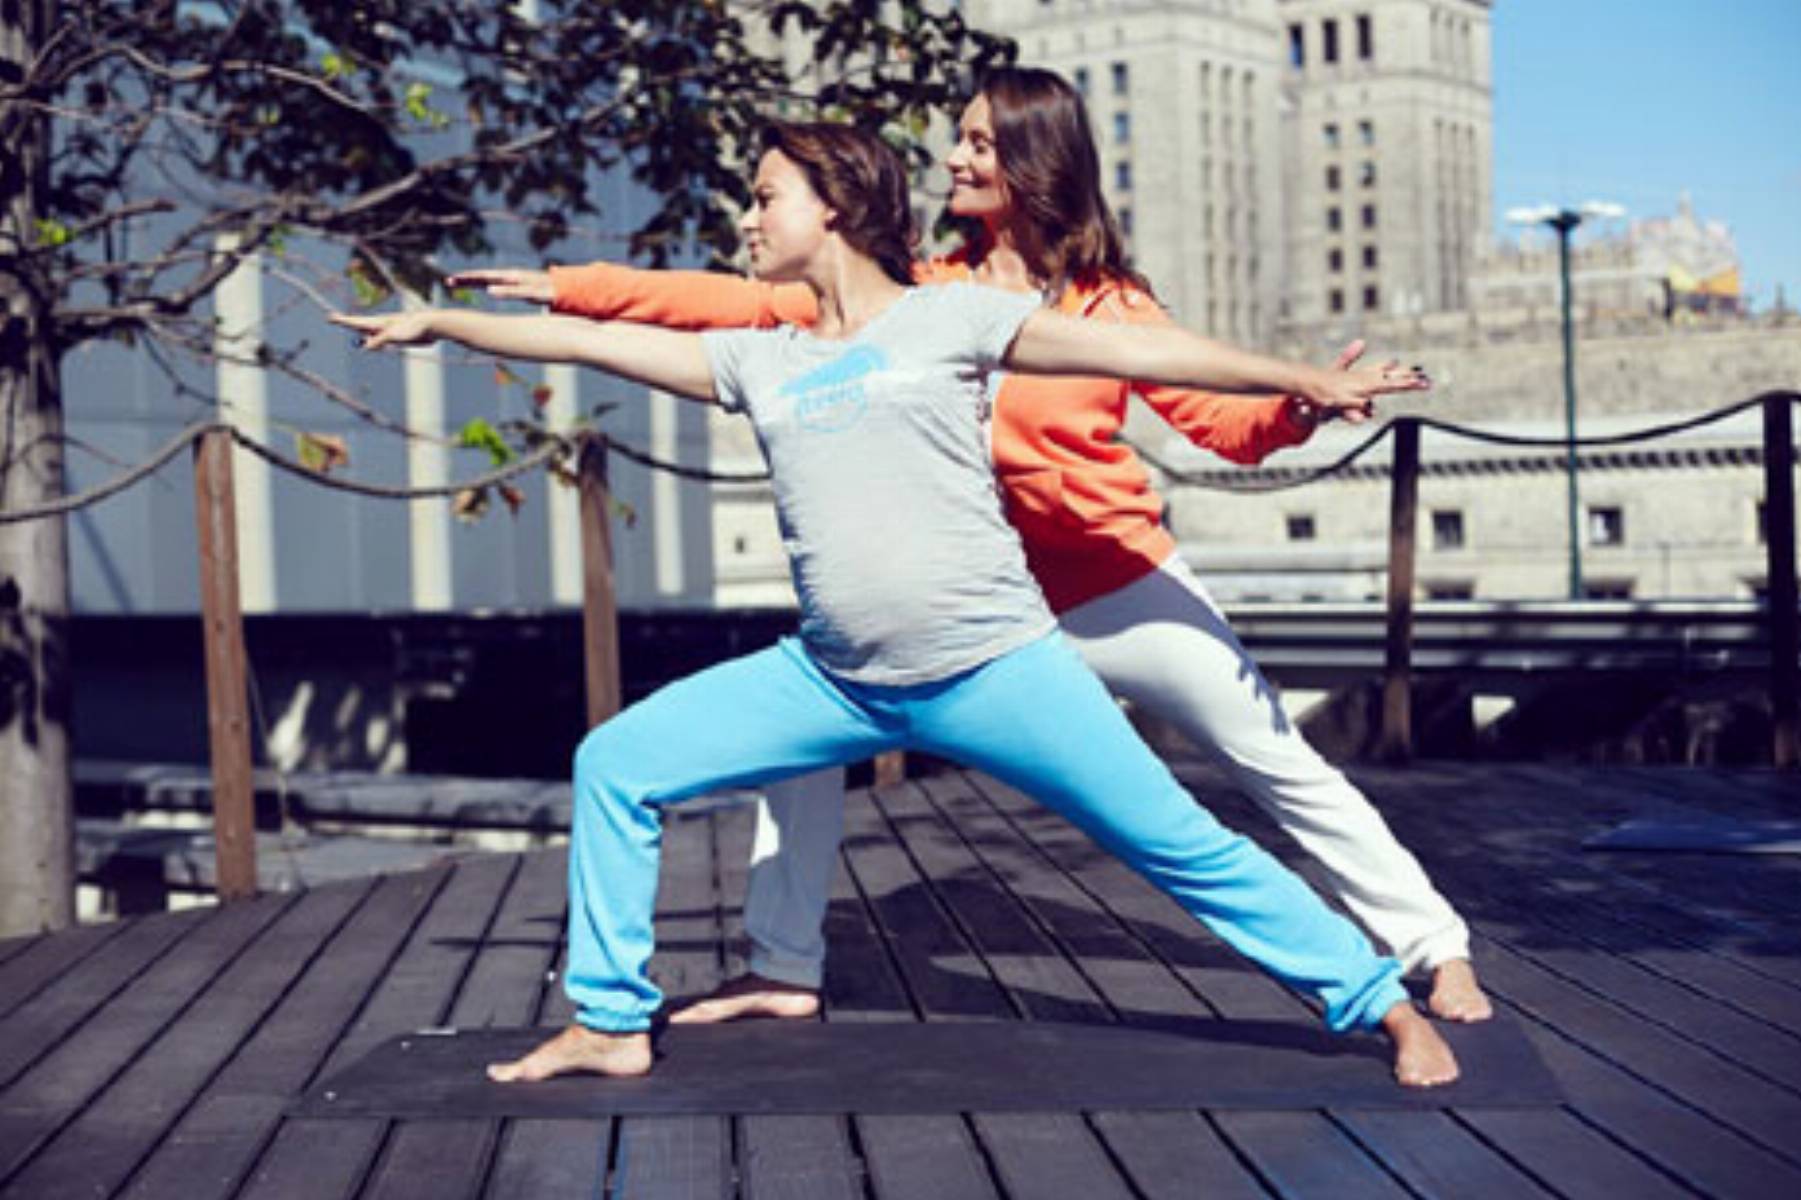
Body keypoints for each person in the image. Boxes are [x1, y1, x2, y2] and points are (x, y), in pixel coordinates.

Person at [341, 119, 1457, 1087]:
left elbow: (1145, 350)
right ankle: (608, 1021)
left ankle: (1377, 1001)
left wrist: (1303, 382)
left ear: (831, 207)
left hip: (999, 670)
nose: (745, 217)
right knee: (616, 762)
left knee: (1182, 845)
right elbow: (597, 341)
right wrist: (445, 325)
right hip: (837, 681)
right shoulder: (759, 360)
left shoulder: (949, 319)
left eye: (764, 196)